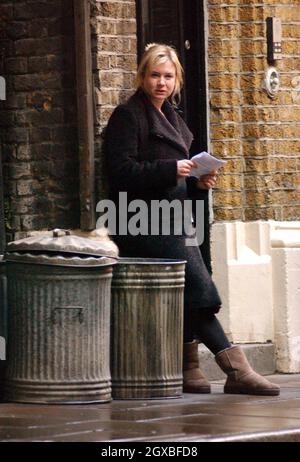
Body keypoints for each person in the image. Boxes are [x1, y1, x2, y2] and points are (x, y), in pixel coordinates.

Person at [104, 43, 280, 396]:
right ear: (142, 76)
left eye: (168, 76)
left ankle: (189, 366)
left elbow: (183, 184)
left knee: (190, 288)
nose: (161, 83)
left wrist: (200, 183)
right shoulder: (128, 115)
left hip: (174, 219)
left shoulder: (175, 118)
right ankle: (235, 368)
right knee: (197, 288)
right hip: (141, 221)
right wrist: (172, 169)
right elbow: (119, 172)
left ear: (177, 79)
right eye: (154, 75)